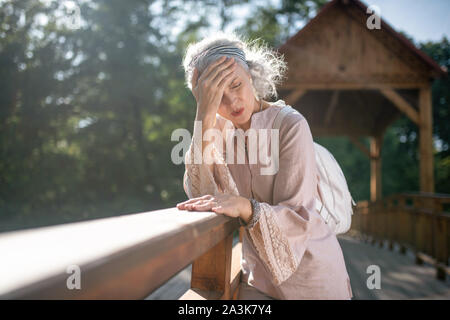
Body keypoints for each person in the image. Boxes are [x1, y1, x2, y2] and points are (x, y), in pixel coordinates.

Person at [176, 31, 353, 300]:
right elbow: (199, 192)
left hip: (314, 281)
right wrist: (203, 115)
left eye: (235, 85)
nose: (232, 102)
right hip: (258, 280)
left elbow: (299, 216)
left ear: (250, 75)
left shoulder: (290, 124)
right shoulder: (217, 134)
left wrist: (245, 206)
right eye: (215, 96)